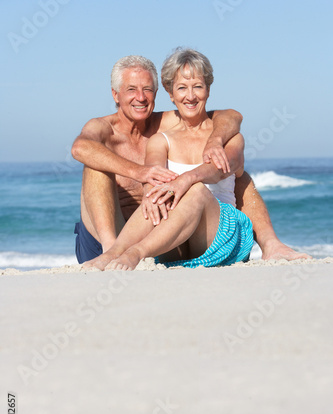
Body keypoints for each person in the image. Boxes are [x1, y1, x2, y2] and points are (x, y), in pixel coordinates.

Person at [72, 53, 309, 267]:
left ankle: (270, 243)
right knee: (95, 164)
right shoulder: (103, 128)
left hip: (170, 232)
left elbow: (232, 116)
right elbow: (80, 147)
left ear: (158, 93)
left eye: (147, 89)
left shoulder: (166, 122)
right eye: (131, 89)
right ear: (115, 94)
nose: (141, 98)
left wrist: (216, 140)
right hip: (118, 232)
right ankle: (111, 249)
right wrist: (140, 173)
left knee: (239, 176)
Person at [84, 48, 253, 271]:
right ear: (170, 93)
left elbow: (220, 166)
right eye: (182, 88)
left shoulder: (228, 134)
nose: (190, 96)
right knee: (158, 192)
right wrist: (149, 188)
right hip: (175, 237)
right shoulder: (161, 138)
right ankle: (114, 251)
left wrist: (188, 177)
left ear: (208, 90)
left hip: (219, 232)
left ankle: (136, 253)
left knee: (196, 189)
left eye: (198, 87)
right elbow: (152, 174)